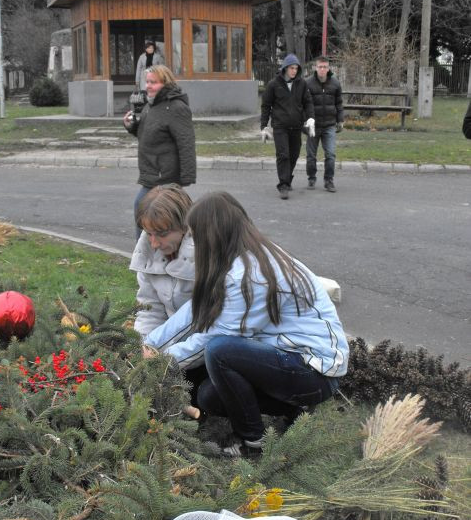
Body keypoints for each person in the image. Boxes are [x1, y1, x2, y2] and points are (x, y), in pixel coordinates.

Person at [144, 192, 349, 456]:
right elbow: (194, 311)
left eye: (196, 235)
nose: (193, 242)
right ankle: (292, 408)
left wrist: (159, 363)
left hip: (314, 372)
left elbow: (214, 339)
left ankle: (252, 442)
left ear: (213, 233)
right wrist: (150, 344)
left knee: (220, 351)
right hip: (286, 358)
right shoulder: (235, 259)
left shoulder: (251, 276)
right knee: (208, 396)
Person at [130, 183, 206, 409]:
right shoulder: (148, 253)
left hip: (205, 346)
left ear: (184, 227)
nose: (153, 243)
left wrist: (164, 360)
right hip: (169, 345)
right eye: (148, 233)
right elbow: (149, 310)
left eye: (161, 234)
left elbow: (210, 327)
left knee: (203, 397)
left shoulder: (206, 256)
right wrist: (141, 348)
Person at [124, 65, 196, 239]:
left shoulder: (176, 107)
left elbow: (186, 143)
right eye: (147, 82)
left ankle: (145, 258)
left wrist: (185, 179)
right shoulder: (152, 105)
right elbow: (147, 135)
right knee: (153, 217)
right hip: (151, 173)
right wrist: (132, 126)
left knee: (143, 210)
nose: (148, 86)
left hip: (164, 177)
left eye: (153, 82)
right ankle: (154, 257)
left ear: (166, 83)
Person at [260, 54, 315, 200]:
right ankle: (283, 185)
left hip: (296, 126)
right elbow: (266, 106)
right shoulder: (273, 84)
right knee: (283, 155)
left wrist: (310, 118)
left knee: (294, 155)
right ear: (285, 68)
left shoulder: (301, 84)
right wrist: (264, 126)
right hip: (280, 126)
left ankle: (287, 178)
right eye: (292, 68)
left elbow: (308, 102)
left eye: (296, 68)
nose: (294, 71)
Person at [305, 56, 344, 193]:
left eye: (325, 67)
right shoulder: (307, 83)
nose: (322, 69)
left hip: (329, 125)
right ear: (315, 68)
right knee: (311, 156)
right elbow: (302, 104)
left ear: (329, 68)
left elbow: (339, 103)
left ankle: (329, 180)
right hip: (313, 126)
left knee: (331, 154)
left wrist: (340, 120)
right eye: (320, 67)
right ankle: (311, 177)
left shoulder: (335, 83)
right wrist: (305, 122)